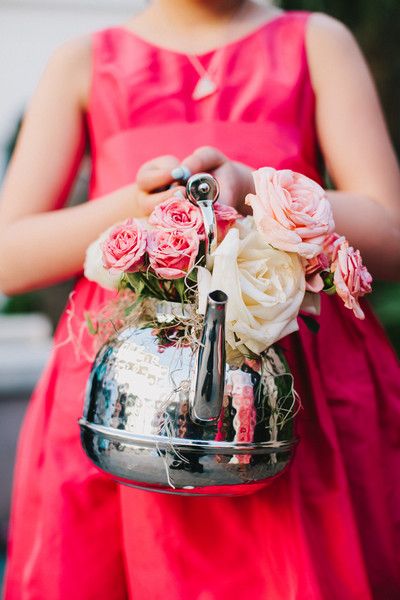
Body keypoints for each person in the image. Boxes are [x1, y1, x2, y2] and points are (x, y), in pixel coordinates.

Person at [1, 0, 399, 598]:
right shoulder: (82, 63)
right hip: (129, 391)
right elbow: (9, 257)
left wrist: (260, 191)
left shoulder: (316, 43)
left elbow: (390, 230)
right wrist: (131, 208)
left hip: (299, 391)